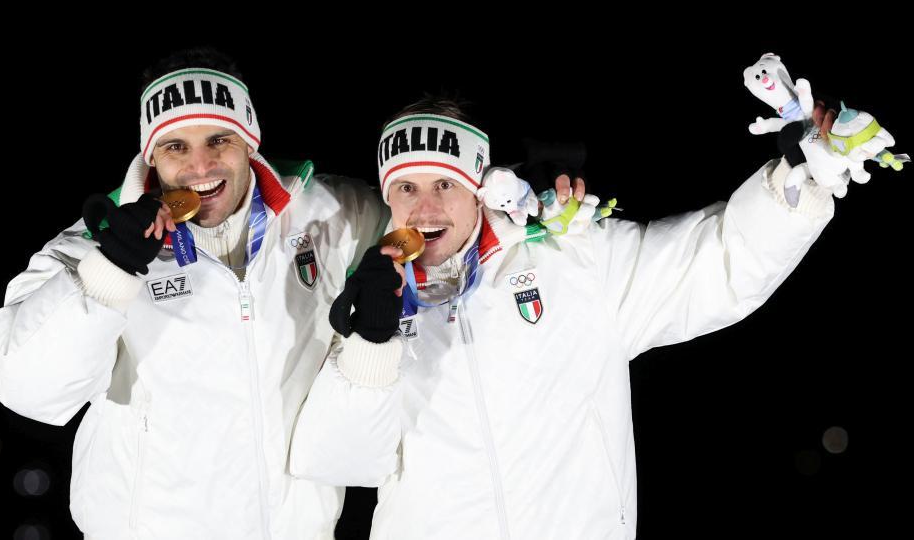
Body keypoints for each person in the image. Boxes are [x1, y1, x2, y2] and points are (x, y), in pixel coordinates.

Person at [290, 95, 841, 539]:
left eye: (445, 185)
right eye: (405, 188)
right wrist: (371, 341)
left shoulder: (571, 256)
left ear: (480, 188)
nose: (425, 208)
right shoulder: (374, 300)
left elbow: (717, 263)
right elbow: (342, 461)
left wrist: (798, 183)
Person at [0, 48, 393, 539]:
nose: (201, 165)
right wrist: (109, 270)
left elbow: (435, 225)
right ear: (150, 156)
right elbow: (25, 388)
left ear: (249, 142)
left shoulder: (333, 215)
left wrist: (505, 213)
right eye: (176, 146)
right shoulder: (93, 244)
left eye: (219, 139)